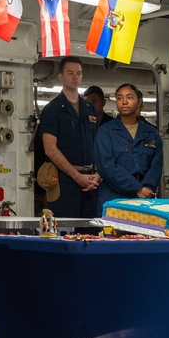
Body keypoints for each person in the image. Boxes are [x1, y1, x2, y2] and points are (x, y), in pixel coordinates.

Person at [38, 56, 101, 218]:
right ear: (61, 77)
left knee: (92, 232)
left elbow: (98, 145)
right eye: (70, 73)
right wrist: (77, 176)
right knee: (65, 231)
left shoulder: (90, 108)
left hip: (91, 182)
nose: (75, 77)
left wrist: (98, 174)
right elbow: (50, 149)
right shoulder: (52, 110)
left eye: (79, 73)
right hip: (64, 182)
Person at [95, 83, 163, 212]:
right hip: (113, 198)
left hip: (144, 199)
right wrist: (136, 188)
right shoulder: (106, 131)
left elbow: (156, 165)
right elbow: (106, 166)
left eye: (129, 98)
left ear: (139, 102)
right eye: (119, 98)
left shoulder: (151, 133)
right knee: (112, 232)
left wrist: (146, 189)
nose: (124, 102)